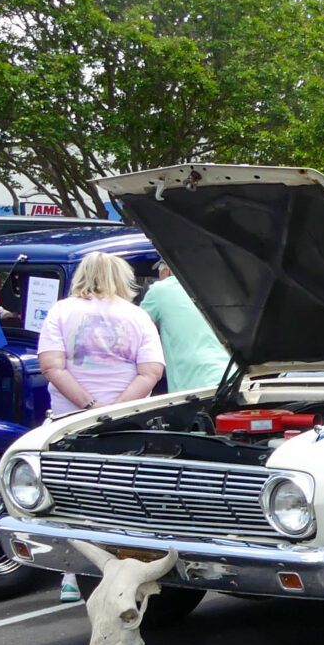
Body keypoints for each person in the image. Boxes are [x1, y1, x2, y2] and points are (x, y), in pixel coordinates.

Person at [38, 252, 164, 601]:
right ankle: (129, 568)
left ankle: (69, 575)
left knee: (70, 496)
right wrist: (115, 409)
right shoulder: (137, 316)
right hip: (126, 422)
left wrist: (89, 407)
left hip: (70, 420)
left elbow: (51, 366)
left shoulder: (61, 311)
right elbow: (151, 371)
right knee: (123, 495)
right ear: (124, 278)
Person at [139, 259, 231, 391]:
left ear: (167, 270)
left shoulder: (159, 290)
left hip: (192, 380)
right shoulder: (211, 288)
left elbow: (135, 329)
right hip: (227, 373)